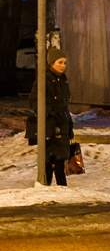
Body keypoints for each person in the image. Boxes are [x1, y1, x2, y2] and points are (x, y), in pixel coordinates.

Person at [30, 46, 73, 186]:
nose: (63, 66)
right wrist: (50, 113)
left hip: (62, 125)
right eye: (59, 62)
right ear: (51, 63)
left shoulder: (62, 79)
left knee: (60, 160)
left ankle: (54, 188)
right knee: (50, 160)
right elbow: (35, 101)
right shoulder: (45, 79)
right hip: (51, 126)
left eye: (64, 62)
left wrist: (69, 125)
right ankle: (50, 187)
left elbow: (65, 105)